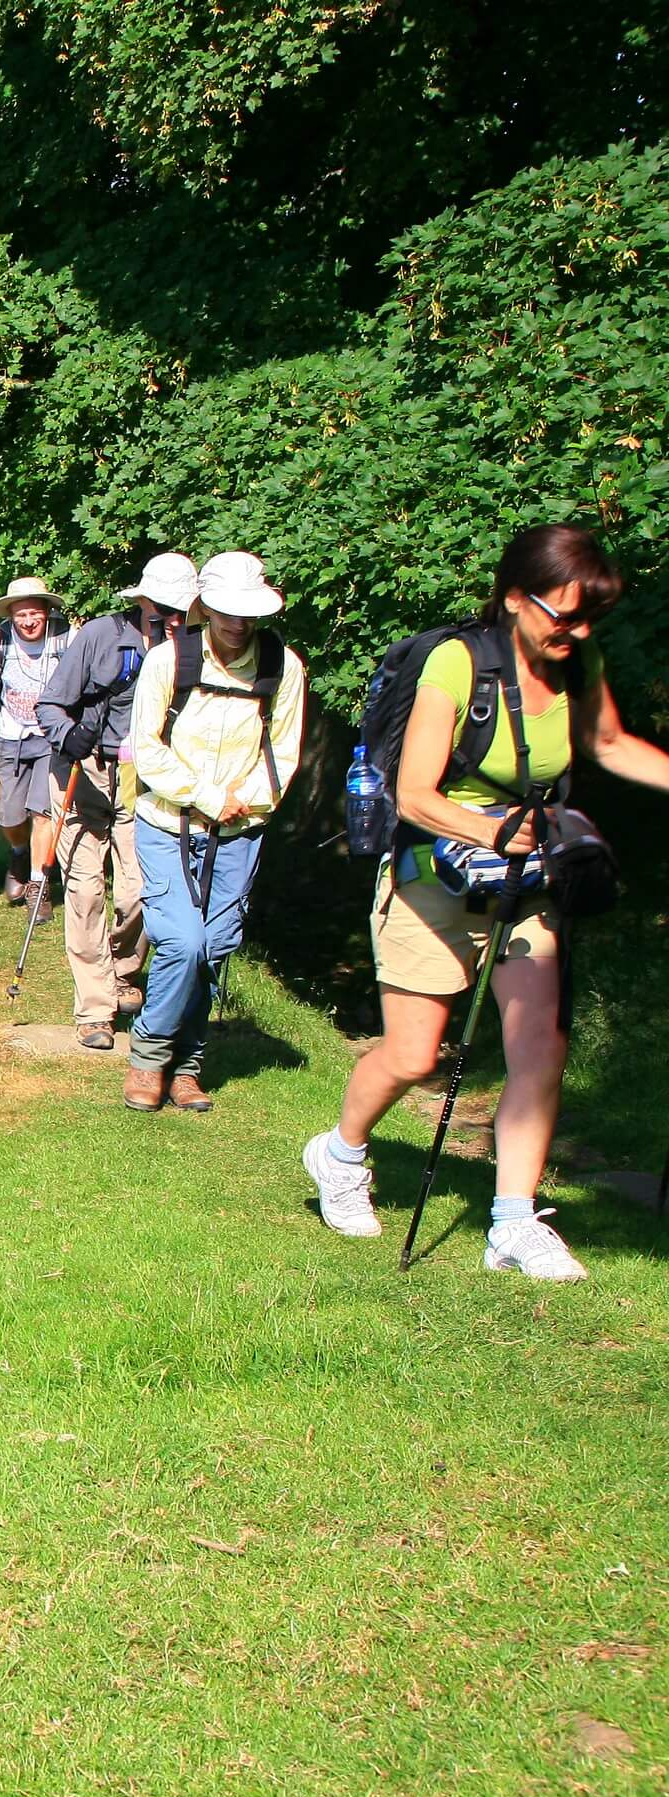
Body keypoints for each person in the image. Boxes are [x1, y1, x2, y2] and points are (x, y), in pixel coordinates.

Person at [305, 525, 669, 1277]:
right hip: (432, 874)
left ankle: (512, 1222)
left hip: (527, 879)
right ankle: (339, 1155)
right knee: (413, 1054)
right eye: (563, 615)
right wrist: (492, 833)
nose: (578, 631)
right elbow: (415, 793)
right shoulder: (456, 664)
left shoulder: (579, 662)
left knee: (540, 1048)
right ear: (514, 598)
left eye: (589, 617)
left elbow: (607, 744)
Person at [122, 552, 305, 1112]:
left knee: (216, 949)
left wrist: (246, 803)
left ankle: (188, 1067)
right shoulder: (166, 661)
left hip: (241, 829)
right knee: (182, 941)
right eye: (226, 611)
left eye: (246, 614)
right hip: (167, 822)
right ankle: (149, 1057)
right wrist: (206, 795)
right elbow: (146, 750)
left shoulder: (283, 666)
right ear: (205, 606)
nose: (236, 624)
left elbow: (284, 749)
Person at [35, 553, 194, 1048]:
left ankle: (124, 971)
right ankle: (95, 1010)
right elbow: (49, 703)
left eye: (180, 609)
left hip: (144, 777)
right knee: (84, 892)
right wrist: (68, 734)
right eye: (162, 607)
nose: (170, 617)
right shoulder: (101, 636)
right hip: (82, 773)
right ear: (142, 599)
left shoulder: (192, 648)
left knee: (139, 892)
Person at [0, 576, 66, 910]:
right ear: (11, 616)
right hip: (12, 736)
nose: (28, 622)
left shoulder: (66, 638)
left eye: (34, 614)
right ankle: (18, 853)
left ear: (46, 610)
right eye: (21, 615)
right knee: (10, 817)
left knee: (43, 812)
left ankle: (38, 889)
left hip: (51, 738)